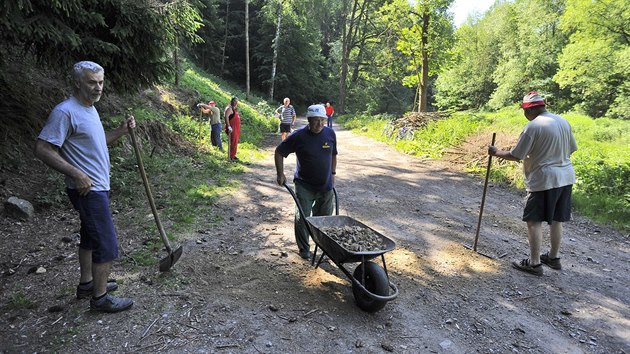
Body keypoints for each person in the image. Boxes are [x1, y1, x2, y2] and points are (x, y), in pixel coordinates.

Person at [34, 61, 135, 312]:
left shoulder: (90, 109)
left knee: (90, 237)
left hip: (99, 186)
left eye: (100, 82)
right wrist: (76, 174)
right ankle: (99, 299)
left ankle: (87, 284)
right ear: (77, 82)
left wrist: (120, 131)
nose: (98, 87)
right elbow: (43, 148)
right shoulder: (65, 111)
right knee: (107, 243)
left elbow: (97, 142)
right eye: (92, 82)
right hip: (88, 190)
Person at [488, 91, 577, 276]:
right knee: (556, 219)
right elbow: (572, 149)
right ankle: (553, 258)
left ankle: (534, 264)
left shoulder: (533, 127)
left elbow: (516, 155)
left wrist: (495, 152)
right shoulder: (562, 121)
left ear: (529, 110)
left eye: (524, 110)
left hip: (544, 179)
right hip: (566, 177)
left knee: (533, 220)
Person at [275, 104, 338, 259]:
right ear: (309, 120)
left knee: (324, 219)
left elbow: (333, 155)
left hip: (326, 185)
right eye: (316, 121)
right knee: (303, 217)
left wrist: (333, 173)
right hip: (304, 185)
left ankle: (322, 247)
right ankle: (304, 249)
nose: (320, 124)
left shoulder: (330, 134)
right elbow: (279, 152)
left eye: (322, 120)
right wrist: (280, 174)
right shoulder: (299, 136)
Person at [224, 96, 241, 161]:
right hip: (231, 128)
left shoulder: (234, 109)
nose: (236, 103)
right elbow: (226, 117)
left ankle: (233, 155)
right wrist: (228, 126)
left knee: (235, 142)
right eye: (234, 101)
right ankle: (230, 156)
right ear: (231, 101)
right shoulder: (229, 108)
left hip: (236, 128)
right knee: (233, 142)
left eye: (237, 102)